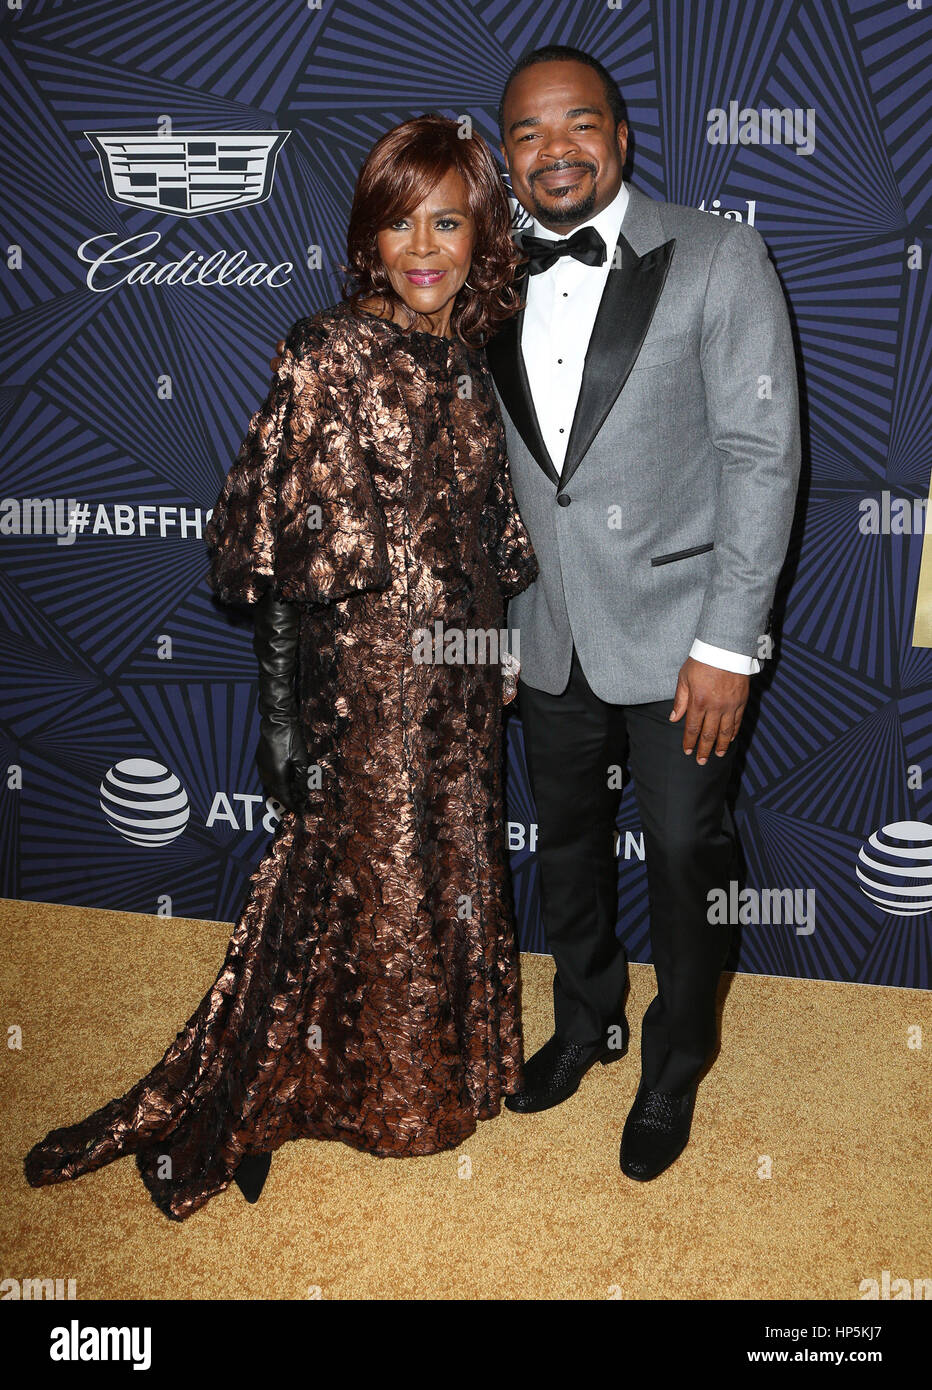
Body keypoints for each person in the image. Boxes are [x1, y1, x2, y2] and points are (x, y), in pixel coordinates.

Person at [22, 115, 538, 1222]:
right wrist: (289, 727)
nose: (423, 247)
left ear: (481, 232)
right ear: (366, 236)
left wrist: (492, 659)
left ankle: (438, 1074)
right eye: (397, 223)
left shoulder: (461, 353)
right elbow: (281, 561)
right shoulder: (324, 350)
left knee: (447, 875)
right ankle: (346, 1092)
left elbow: (484, 535)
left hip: (457, 683)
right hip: (367, 685)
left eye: (446, 221)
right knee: (361, 885)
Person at [487, 46, 801, 1180]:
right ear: (504, 154)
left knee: (681, 850)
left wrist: (727, 643)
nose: (554, 149)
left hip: (684, 637)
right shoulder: (483, 271)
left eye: (578, 125)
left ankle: (673, 1064)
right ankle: (588, 1021)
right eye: (527, 132)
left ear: (619, 139)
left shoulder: (717, 256)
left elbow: (760, 457)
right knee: (563, 844)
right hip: (545, 629)